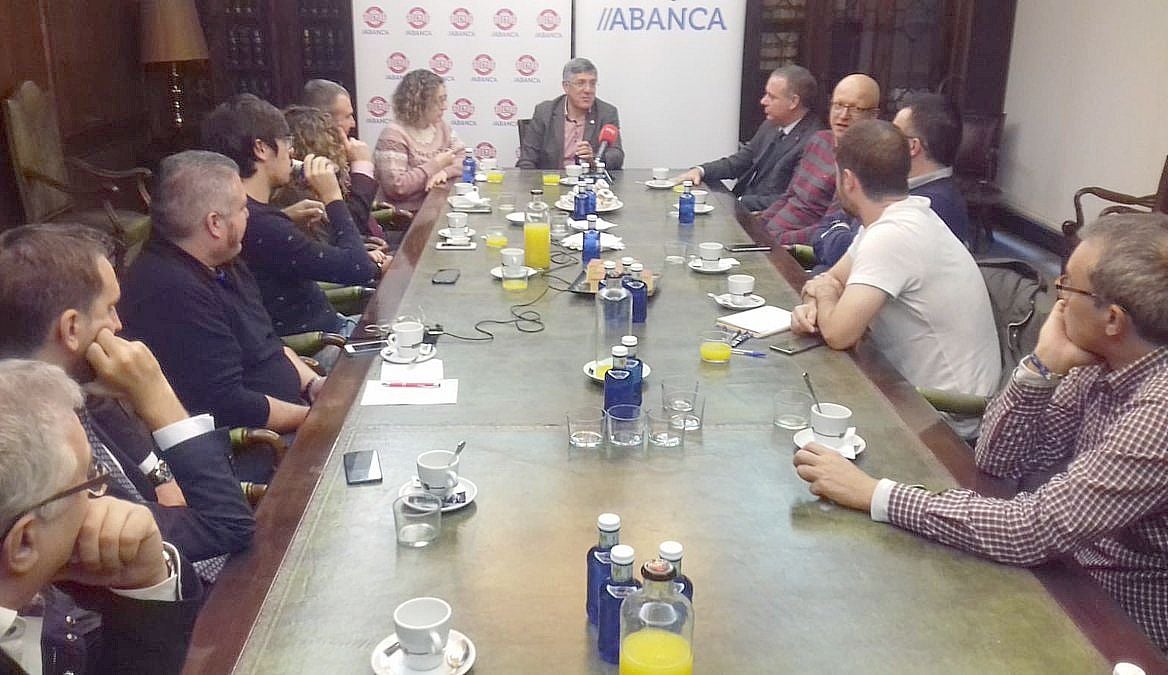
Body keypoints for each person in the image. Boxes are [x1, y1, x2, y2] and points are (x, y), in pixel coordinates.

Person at [794, 212, 1168, 650]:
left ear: (1113, 321)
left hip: (1119, 621)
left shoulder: (1158, 410)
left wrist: (876, 494)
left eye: (1067, 286)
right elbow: (998, 462)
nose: (1058, 298)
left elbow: (1032, 530)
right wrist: (1040, 369)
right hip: (1068, 565)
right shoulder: (1101, 360)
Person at [0, 223, 255, 578]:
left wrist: (162, 478)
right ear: (72, 329)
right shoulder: (41, 455)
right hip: (193, 608)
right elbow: (227, 526)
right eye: (109, 308)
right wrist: (157, 396)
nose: (119, 324)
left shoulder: (74, 390)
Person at [790, 119, 999, 438]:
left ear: (847, 180)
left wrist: (824, 297)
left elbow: (838, 333)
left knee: (801, 414)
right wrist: (817, 299)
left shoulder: (893, 235)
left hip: (949, 414)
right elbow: (830, 280)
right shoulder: (896, 217)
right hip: (910, 388)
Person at [0, 359, 202, 674]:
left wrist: (145, 584)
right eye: (90, 479)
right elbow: (229, 527)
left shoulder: (38, 604)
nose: (101, 496)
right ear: (24, 542)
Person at [119, 150, 325, 438]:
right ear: (214, 223)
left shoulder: (223, 259)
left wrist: (315, 386)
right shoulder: (171, 292)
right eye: (242, 207)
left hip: (299, 407)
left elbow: (269, 344)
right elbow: (229, 404)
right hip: (264, 446)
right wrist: (319, 418)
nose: (248, 214)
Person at [202, 94, 380, 336]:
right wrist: (332, 197)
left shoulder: (249, 215)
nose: (292, 149)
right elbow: (359, 268)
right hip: (326, 344)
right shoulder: (264, 225)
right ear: (261, 148)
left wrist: (284, 216)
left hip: (328, 328)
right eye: (286, 140)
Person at [812, 92, 971, 269]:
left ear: (912, 146)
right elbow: (833, 222)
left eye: (894, 133)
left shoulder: (932, 206)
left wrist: (836, 231)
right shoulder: (898, 184)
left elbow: (844, 254)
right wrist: (839, 230)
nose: (885, 138)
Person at [673, 65, 821, 210]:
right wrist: (700, 171)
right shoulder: (771, 125)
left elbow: (790, 199)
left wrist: (734, 203)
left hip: (766, 220)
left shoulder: (814, 141)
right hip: (743, 205)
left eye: (771, 97)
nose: (763, 101)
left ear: (794, 102)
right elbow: (739, 162)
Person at [755, 73, 880, 245]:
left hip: (794, 250)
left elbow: (827, 227)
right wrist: (758, 226)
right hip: (770, 237)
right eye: (838, 105)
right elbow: (790, 195)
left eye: (855, 109)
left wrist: (775, 240)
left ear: (873, 116)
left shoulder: (863, 165)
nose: (843, 115)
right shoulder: (819, 140)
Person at [274, 105, 393, 251]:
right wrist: (362, 166)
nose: (342, 147)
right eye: (334, 142)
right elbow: (348, 227)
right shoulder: (297, 195)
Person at [373, 69, 466, 212]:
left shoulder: (441, 128)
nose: (445, 106)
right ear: (419, 103)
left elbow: (465, 160)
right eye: (439, 100)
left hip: (436, 210)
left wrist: (445, 172)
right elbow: (397, 187)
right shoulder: (393, 135)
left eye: (445, 99)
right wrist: (435, 165)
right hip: (403, 220)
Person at [517, 57, 624, 171]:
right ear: (566, 86)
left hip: (589, 183)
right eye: (580, 83)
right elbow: (527, 161)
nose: (588, 90)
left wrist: (595, 159)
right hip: (552, 183)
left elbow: (617, 156)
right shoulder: (544, 112)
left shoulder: (607, 113)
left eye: (592, 83)